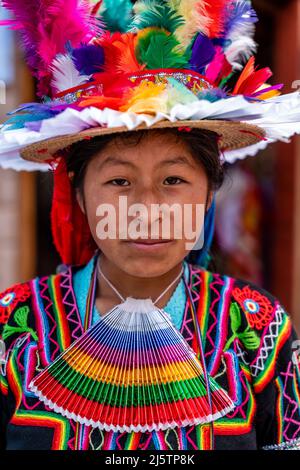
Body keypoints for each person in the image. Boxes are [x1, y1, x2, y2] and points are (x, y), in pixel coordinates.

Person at [0, 0, 300, 451]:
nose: (146, 209)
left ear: (209, 192)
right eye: (119, 180)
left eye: (173, 180)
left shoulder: (258, 330)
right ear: (79, 193)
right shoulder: (11, 328)